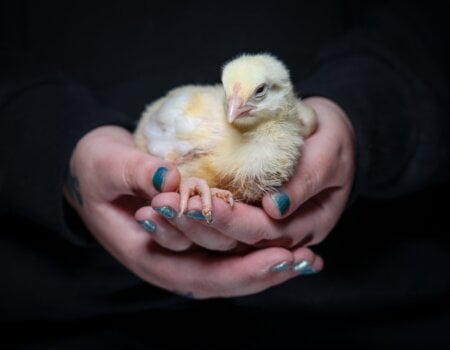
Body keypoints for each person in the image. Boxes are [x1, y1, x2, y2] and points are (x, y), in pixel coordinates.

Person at [1, 0, 449, 348]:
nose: (234, 110)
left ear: (283, 94)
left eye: (255, 95)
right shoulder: (200, 126)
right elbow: (146, 140)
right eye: (232, 97)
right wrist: (60, 147)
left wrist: (361, 114)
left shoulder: (300, 121)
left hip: (372, 309)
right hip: (72, 312)